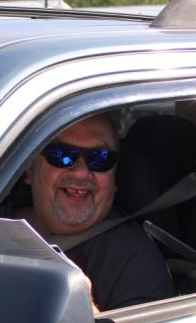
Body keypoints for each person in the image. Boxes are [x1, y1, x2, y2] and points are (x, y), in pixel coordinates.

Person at [16, 113, 174, 312]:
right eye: (62, 154)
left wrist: (82, 309)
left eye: (100, 159)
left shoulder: (135, 263)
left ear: (115, 178)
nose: (81, 172)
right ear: (30, 170)